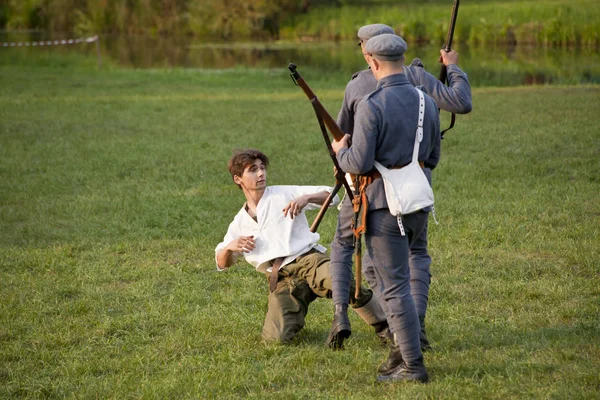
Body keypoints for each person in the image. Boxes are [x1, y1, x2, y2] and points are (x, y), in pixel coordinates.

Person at [328, 23, 472, 359]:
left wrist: (340, 155)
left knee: (360, 256)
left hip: (371, 192)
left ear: (369, 54)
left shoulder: (362, 90)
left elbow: (352, 151)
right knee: (417, 255)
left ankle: (347, 318)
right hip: (417, 186)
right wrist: (452, 67)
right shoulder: (420, 87)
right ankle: (415, 326)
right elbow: (457, 109)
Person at [332, 33, 441, 383]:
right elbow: (433, 156)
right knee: (409, 272)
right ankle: (405, 353)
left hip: (382, 206)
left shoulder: (372, 104)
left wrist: (340, 150)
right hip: (418, 198)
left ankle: (412, 365)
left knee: (393, 287)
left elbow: (358, 163)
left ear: (373, 62)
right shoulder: (427, 101)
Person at [215, 149, 389, 345]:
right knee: (274, 341)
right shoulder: (239, 223)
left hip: (309, 261)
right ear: (238, 179)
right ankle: (297, 310)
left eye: (262, 168)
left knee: (343, 281)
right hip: (280, 278)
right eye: (253, 170)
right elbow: (222, 263)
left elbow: (332, 197)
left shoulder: (283, 193)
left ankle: (385, 326)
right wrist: (230, 248)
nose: (261, 173)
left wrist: (306, 198)